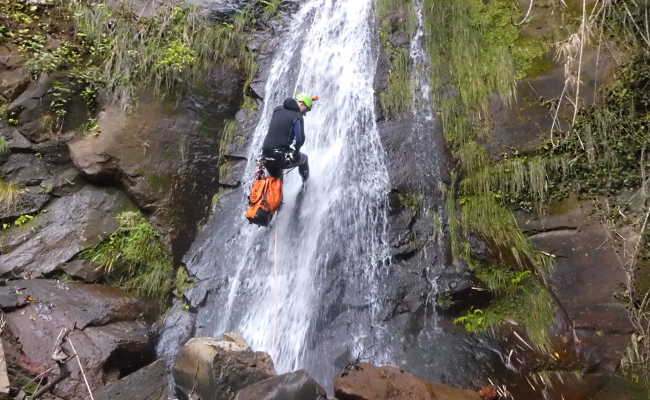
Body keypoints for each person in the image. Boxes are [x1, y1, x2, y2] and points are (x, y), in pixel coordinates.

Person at [261, 93, 318, 182]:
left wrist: (309, 100)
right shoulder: (297, 116)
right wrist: (295, 153)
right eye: (306, 110)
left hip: (265, 154)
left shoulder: (277, 110)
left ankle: (274, 194)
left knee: (278, 180)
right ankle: (306, 185)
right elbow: (300, 140)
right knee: (304, 159)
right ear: (302, 104)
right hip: (279, 156)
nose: (304, 113)